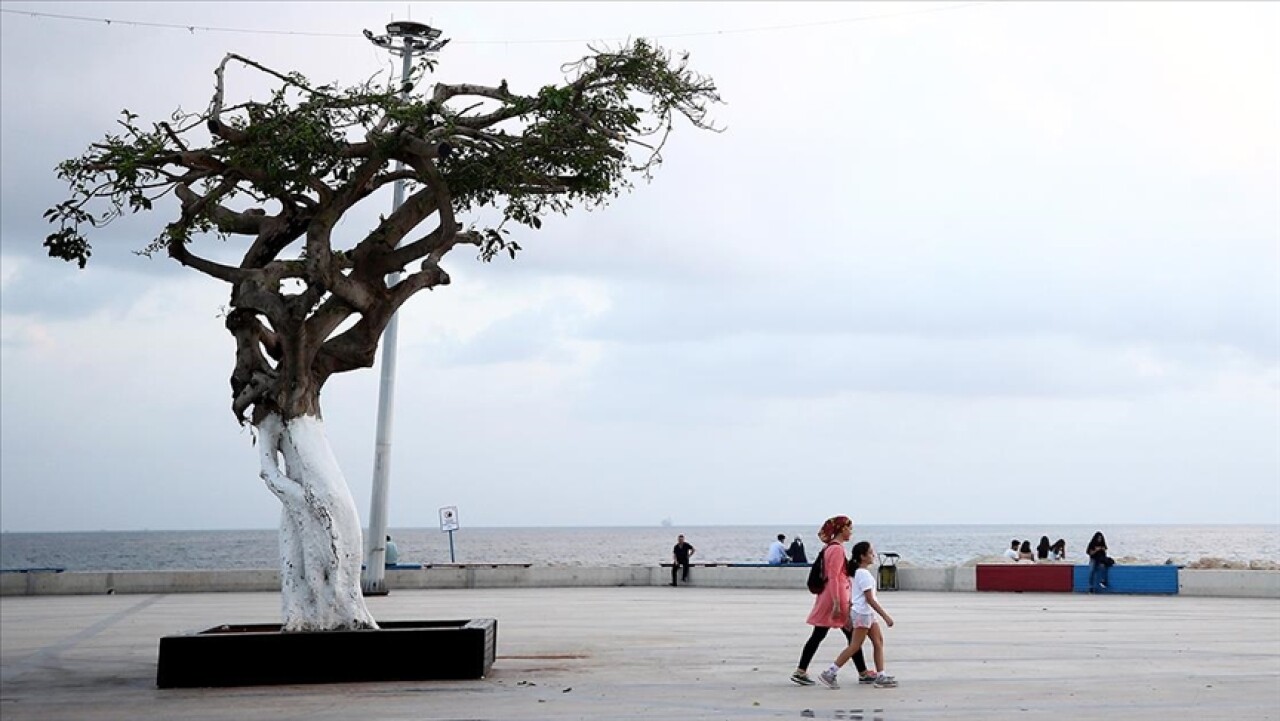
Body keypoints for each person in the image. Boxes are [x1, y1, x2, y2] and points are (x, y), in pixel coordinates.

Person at [789, 516, 873, 687]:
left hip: (832, 597)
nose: (851, 532)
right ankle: (801, 670)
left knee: (831, 634)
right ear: (842, 529)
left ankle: (802, 670)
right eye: (849, 528)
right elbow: (833, 576)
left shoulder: (831, 548)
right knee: (849, 635)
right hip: (835, 599)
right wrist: (836, 602)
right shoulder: (836, 550)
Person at [819, 541, 897, 689]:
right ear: (862, 556)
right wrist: (885, 616)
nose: (873, 555)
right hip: (863, 613)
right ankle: (830, 672)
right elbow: (869, 599)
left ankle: (881, 675)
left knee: (878, 642)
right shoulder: (863, 574)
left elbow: (853, 595)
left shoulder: (857, 574)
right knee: (855, 646)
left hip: (866, 613)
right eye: (870, 553)